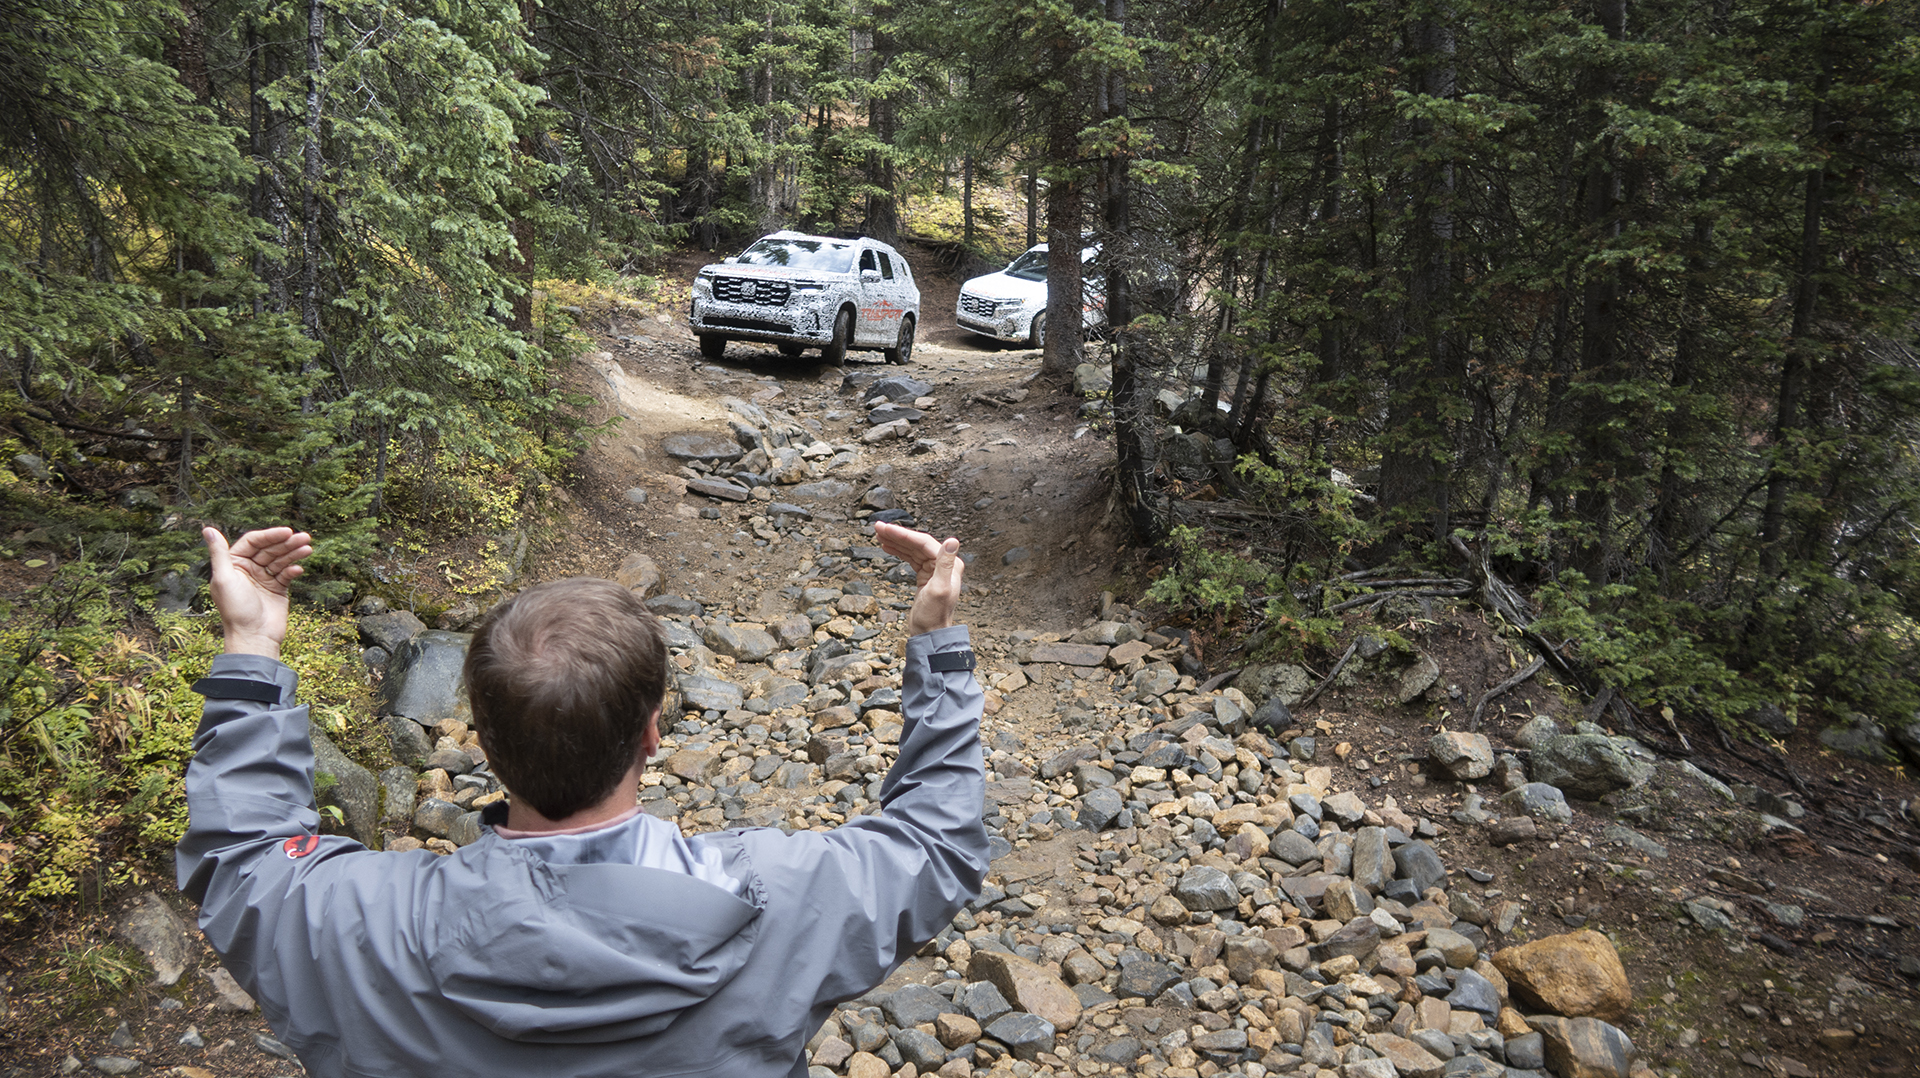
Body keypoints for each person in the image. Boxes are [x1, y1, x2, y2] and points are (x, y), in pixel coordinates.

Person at [177, 521, 986, 1078]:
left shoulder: (364, 920)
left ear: (483, 746)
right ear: (652, 735)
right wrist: (936, 645)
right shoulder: (778, 898)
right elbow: (937, 843)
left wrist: (251, 648)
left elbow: (241, 859)